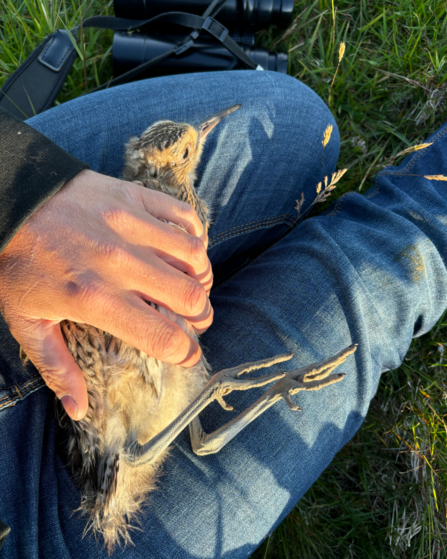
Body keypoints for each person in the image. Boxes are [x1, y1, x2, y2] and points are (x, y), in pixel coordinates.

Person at [0, 70, 446, 558]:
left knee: (302, 129)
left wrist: (16, 200)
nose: (207, 129)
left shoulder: (162, 196)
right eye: (195, 142)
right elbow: (115, 448)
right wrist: (222, 384)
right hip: (58, 517)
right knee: (393, 254)